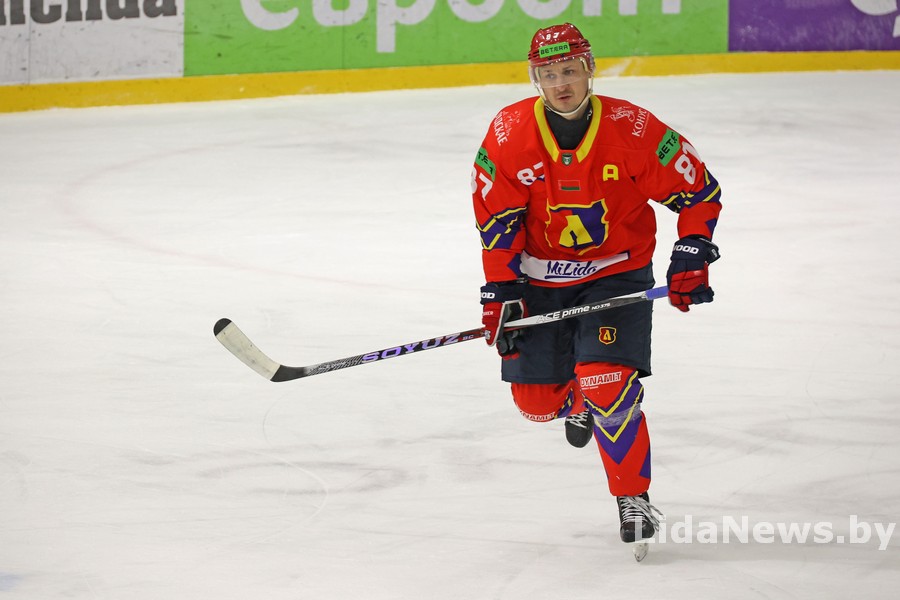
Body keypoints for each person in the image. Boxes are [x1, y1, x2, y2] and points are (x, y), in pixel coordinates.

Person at [471, 23, 722, 546]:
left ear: (589, 69)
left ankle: (633, 498)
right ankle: (580, 403)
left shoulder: (634, 129)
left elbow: (698, 192)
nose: (560, 84)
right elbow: (497, 220)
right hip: (539, 276)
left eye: (569, 71)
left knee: (606, 381)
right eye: (548, 74)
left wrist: (693, 249)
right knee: (536, 404)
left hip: (615, 274)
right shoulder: (509, 133)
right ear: (534, 78)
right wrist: (501, 290)